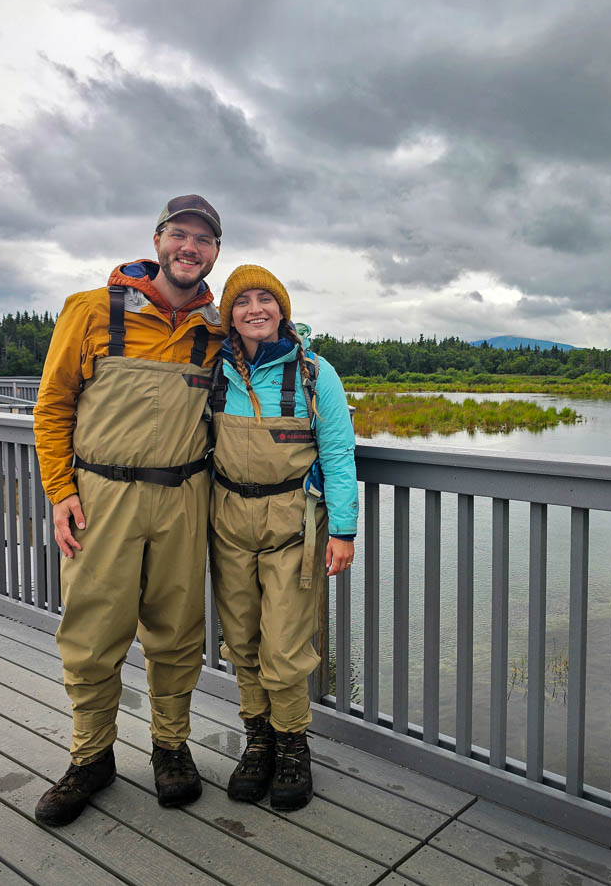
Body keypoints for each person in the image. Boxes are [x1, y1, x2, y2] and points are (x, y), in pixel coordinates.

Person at [31, 194, 226, 826]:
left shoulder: (214, 330)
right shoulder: (90, 310)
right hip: (102, 498)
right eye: (180, 235)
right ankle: (91, 757)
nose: (189, 248)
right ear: (158, 240)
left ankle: (171, 748)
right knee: (91, 633)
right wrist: (60, 491)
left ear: (215, 253)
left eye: (203, 240)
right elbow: (53, 406)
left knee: (177, 632)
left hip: (183, 497)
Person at [210, 264, 358, 811]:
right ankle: (259, 741)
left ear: (282, 309)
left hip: (294, 531)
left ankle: (294, 746)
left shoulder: (318, 374)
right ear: (229, 314)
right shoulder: (213, 371)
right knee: (242, 640)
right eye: (243, 301)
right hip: (227, 523)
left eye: (265, 299)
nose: (255, 309)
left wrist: (343, 530)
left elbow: (340, 455)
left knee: (286, 645)